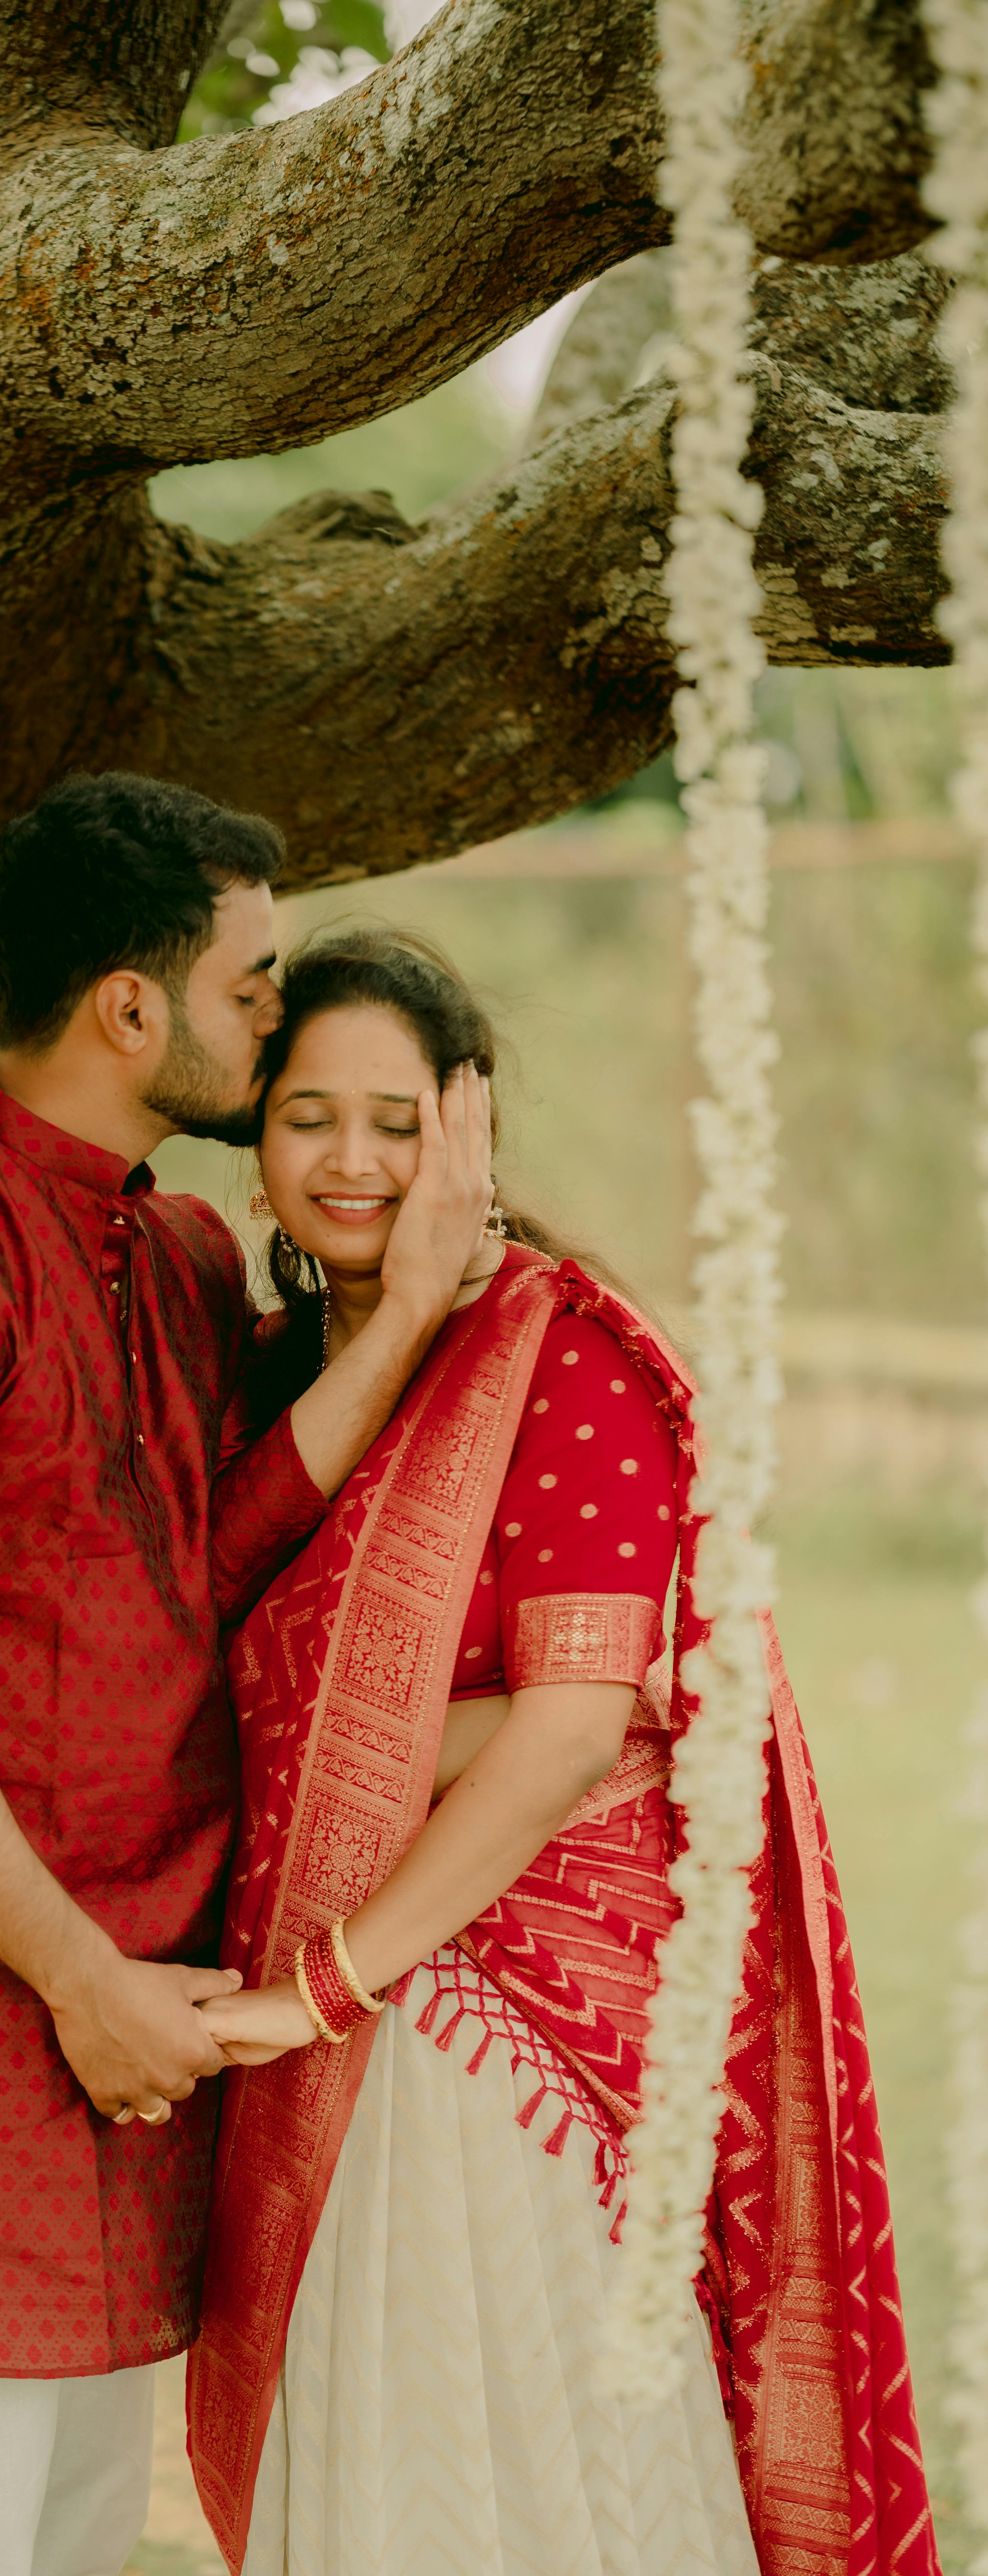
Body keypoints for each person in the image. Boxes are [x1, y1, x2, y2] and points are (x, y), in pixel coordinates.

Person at [0, 777, 493, 2576]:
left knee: (68, 2539)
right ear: (131, 1008)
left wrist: (395, 1323)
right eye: (253, 988)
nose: (272, 1020)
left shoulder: (174, 1249)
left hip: (133, 2016)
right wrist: (83, 1983)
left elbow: (202, 1559)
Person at [189, 927, 940, 2576]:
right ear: (254, 1143)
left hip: (482, 2035)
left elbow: (566, 1741)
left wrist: (318, 1988)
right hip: (329, 2024)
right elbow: (222, 1665)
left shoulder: (559, 1354)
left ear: (471, 1127)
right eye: (309, 1116)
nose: (354, 1160)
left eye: (398, 1119)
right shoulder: (269, 1378)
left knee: (509, 2481)